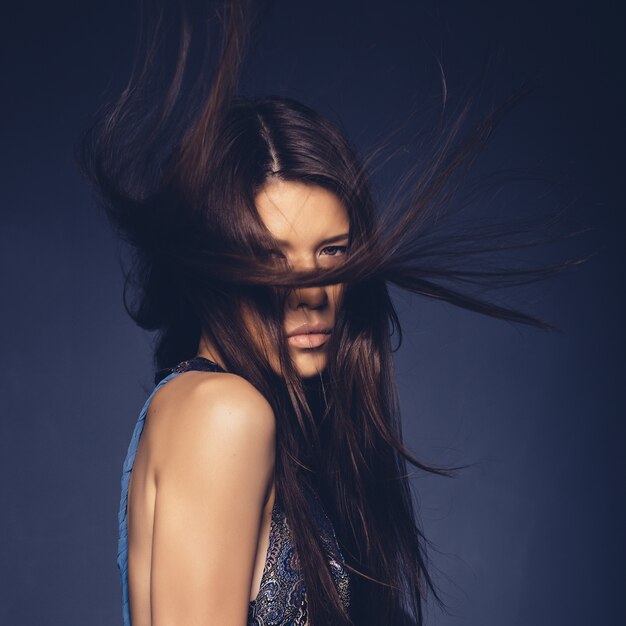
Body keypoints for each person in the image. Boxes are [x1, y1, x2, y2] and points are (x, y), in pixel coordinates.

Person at [77, 1, 582, 624]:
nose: (311, 292)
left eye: (332, 253)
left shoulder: (208, 410)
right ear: (215, 266)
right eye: (270, 260)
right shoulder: (224, 414)